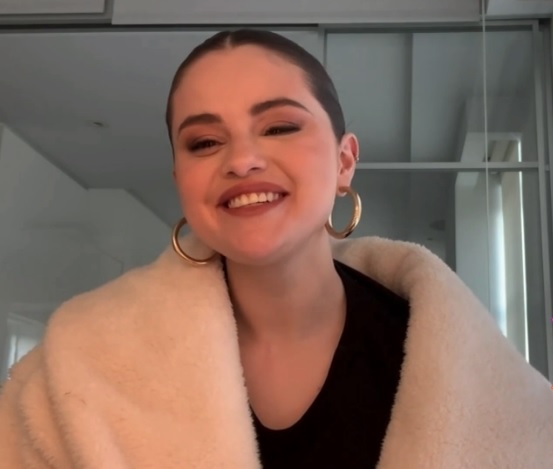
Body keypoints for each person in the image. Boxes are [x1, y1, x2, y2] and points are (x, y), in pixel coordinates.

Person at [0, 29, 552, 469]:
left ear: (344, 161)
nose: (242, 161)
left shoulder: (460, 374)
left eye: (280, 127)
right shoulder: (79, 364)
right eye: (205, 142)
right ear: (180, 180)